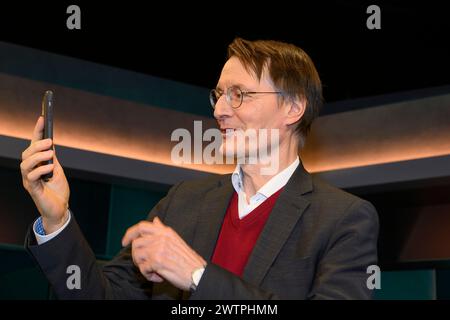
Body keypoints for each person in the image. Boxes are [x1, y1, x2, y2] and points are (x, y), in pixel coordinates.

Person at [20, 38, 379, 299]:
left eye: (238, 94)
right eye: (218, 95)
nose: (220, 109)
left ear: (293, 108)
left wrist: (196, 274)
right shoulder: (184, 201)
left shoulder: (343, 219)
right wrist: (57, 220)